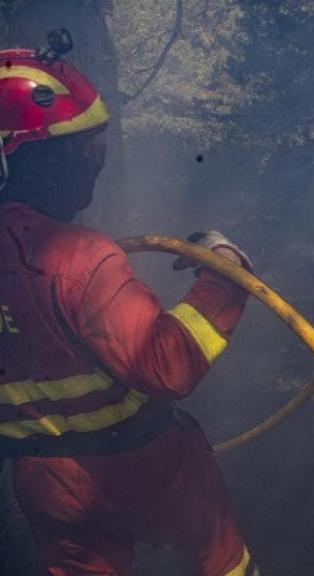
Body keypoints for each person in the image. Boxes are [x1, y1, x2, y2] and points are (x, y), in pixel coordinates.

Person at [0, 33, 259, 575]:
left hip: (44, 480)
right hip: (147, 469)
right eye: (76, 151)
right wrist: (226, 272)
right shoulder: (76, 257)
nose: (91, 165)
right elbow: (167, 365)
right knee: (221, 563)